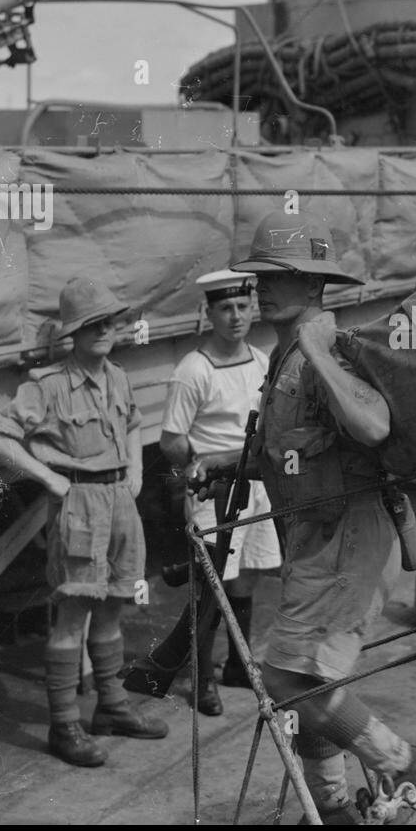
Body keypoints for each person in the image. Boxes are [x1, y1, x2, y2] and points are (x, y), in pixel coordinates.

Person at [232, 210, 416, 823]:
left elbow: (372, 426)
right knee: (307, 685)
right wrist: (225, 467)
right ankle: (331, 809)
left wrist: (317, 352)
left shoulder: (328, 351)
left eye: (281, 275)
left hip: (349, 543)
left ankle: (403, 762)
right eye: (260, 275)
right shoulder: (281, 361)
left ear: (316, 285)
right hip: (313, 544)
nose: (262, 286)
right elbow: (289, 452)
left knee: (285, 681)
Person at [0, 277, 168, 767]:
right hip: (79, 504)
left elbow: (133, 423)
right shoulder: (48, 386)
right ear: (73, 334)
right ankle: (64, 726)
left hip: (119, 500)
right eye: (92, 324)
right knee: (72, 615)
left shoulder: (118, 376)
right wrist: (51, 479)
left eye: (109, 322)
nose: (104, 331)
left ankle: (112, 707)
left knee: (112, 607)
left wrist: (137, 468)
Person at [158, 270, 281, 716]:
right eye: (225, 308)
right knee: (214, 585)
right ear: (208, 313)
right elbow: (171, 440)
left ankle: (237, 667)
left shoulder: (262, 359)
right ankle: (203, 678)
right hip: (216, 492)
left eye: (243, 307)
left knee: (248, 574)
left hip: (257, 486)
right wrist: (203, 464)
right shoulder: (193, 370)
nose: (235, 317)